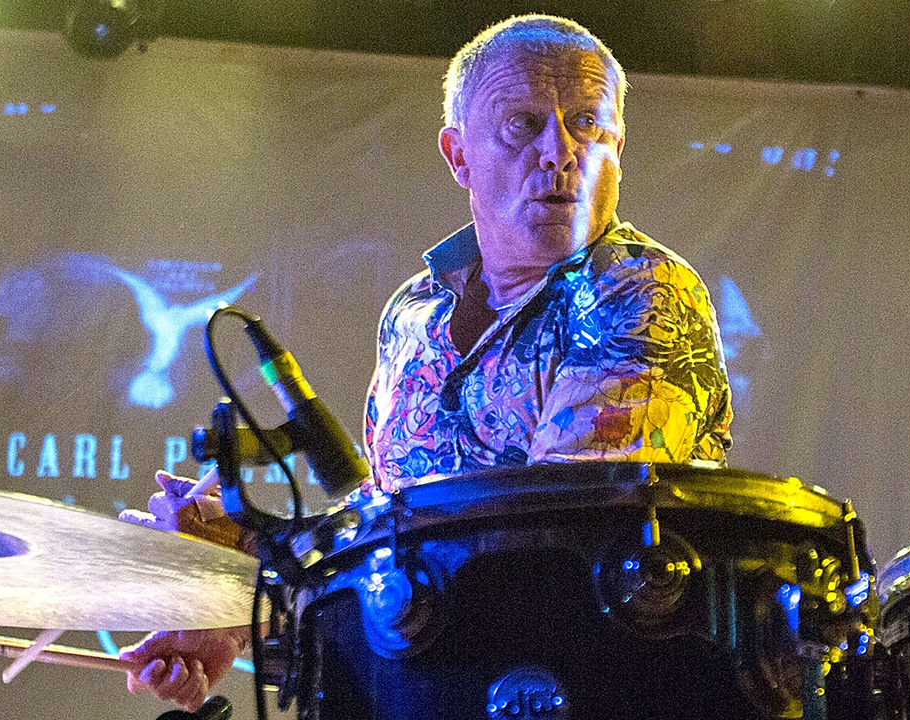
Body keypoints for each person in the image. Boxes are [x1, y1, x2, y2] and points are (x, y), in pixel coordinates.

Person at [118, 13, 733, 710]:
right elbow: (395, 532)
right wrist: (237, 590)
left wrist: (275, 559)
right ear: (459, 155)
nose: (561, 152)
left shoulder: (640, 290)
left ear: (618, 144)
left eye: (588, 124)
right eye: (523, 125)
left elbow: (550, 541)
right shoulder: (414, 314)